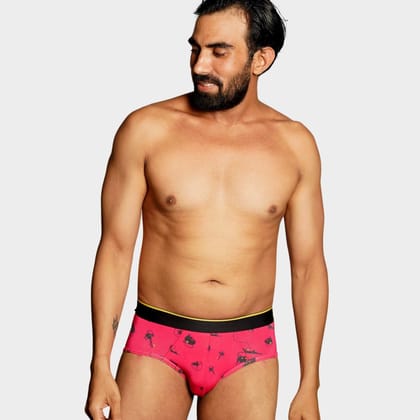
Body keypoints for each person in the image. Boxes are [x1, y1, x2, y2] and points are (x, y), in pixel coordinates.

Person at [85, 0, 328, 419]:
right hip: (157, 340)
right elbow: (115, 249)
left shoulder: (295, 145)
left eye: (219, 52)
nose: (200, 65)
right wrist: (100, 363)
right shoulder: (146, 130)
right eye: (195, 49)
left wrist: (310, 383)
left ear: (261, 60)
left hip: (248, 349)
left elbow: (308, 268)